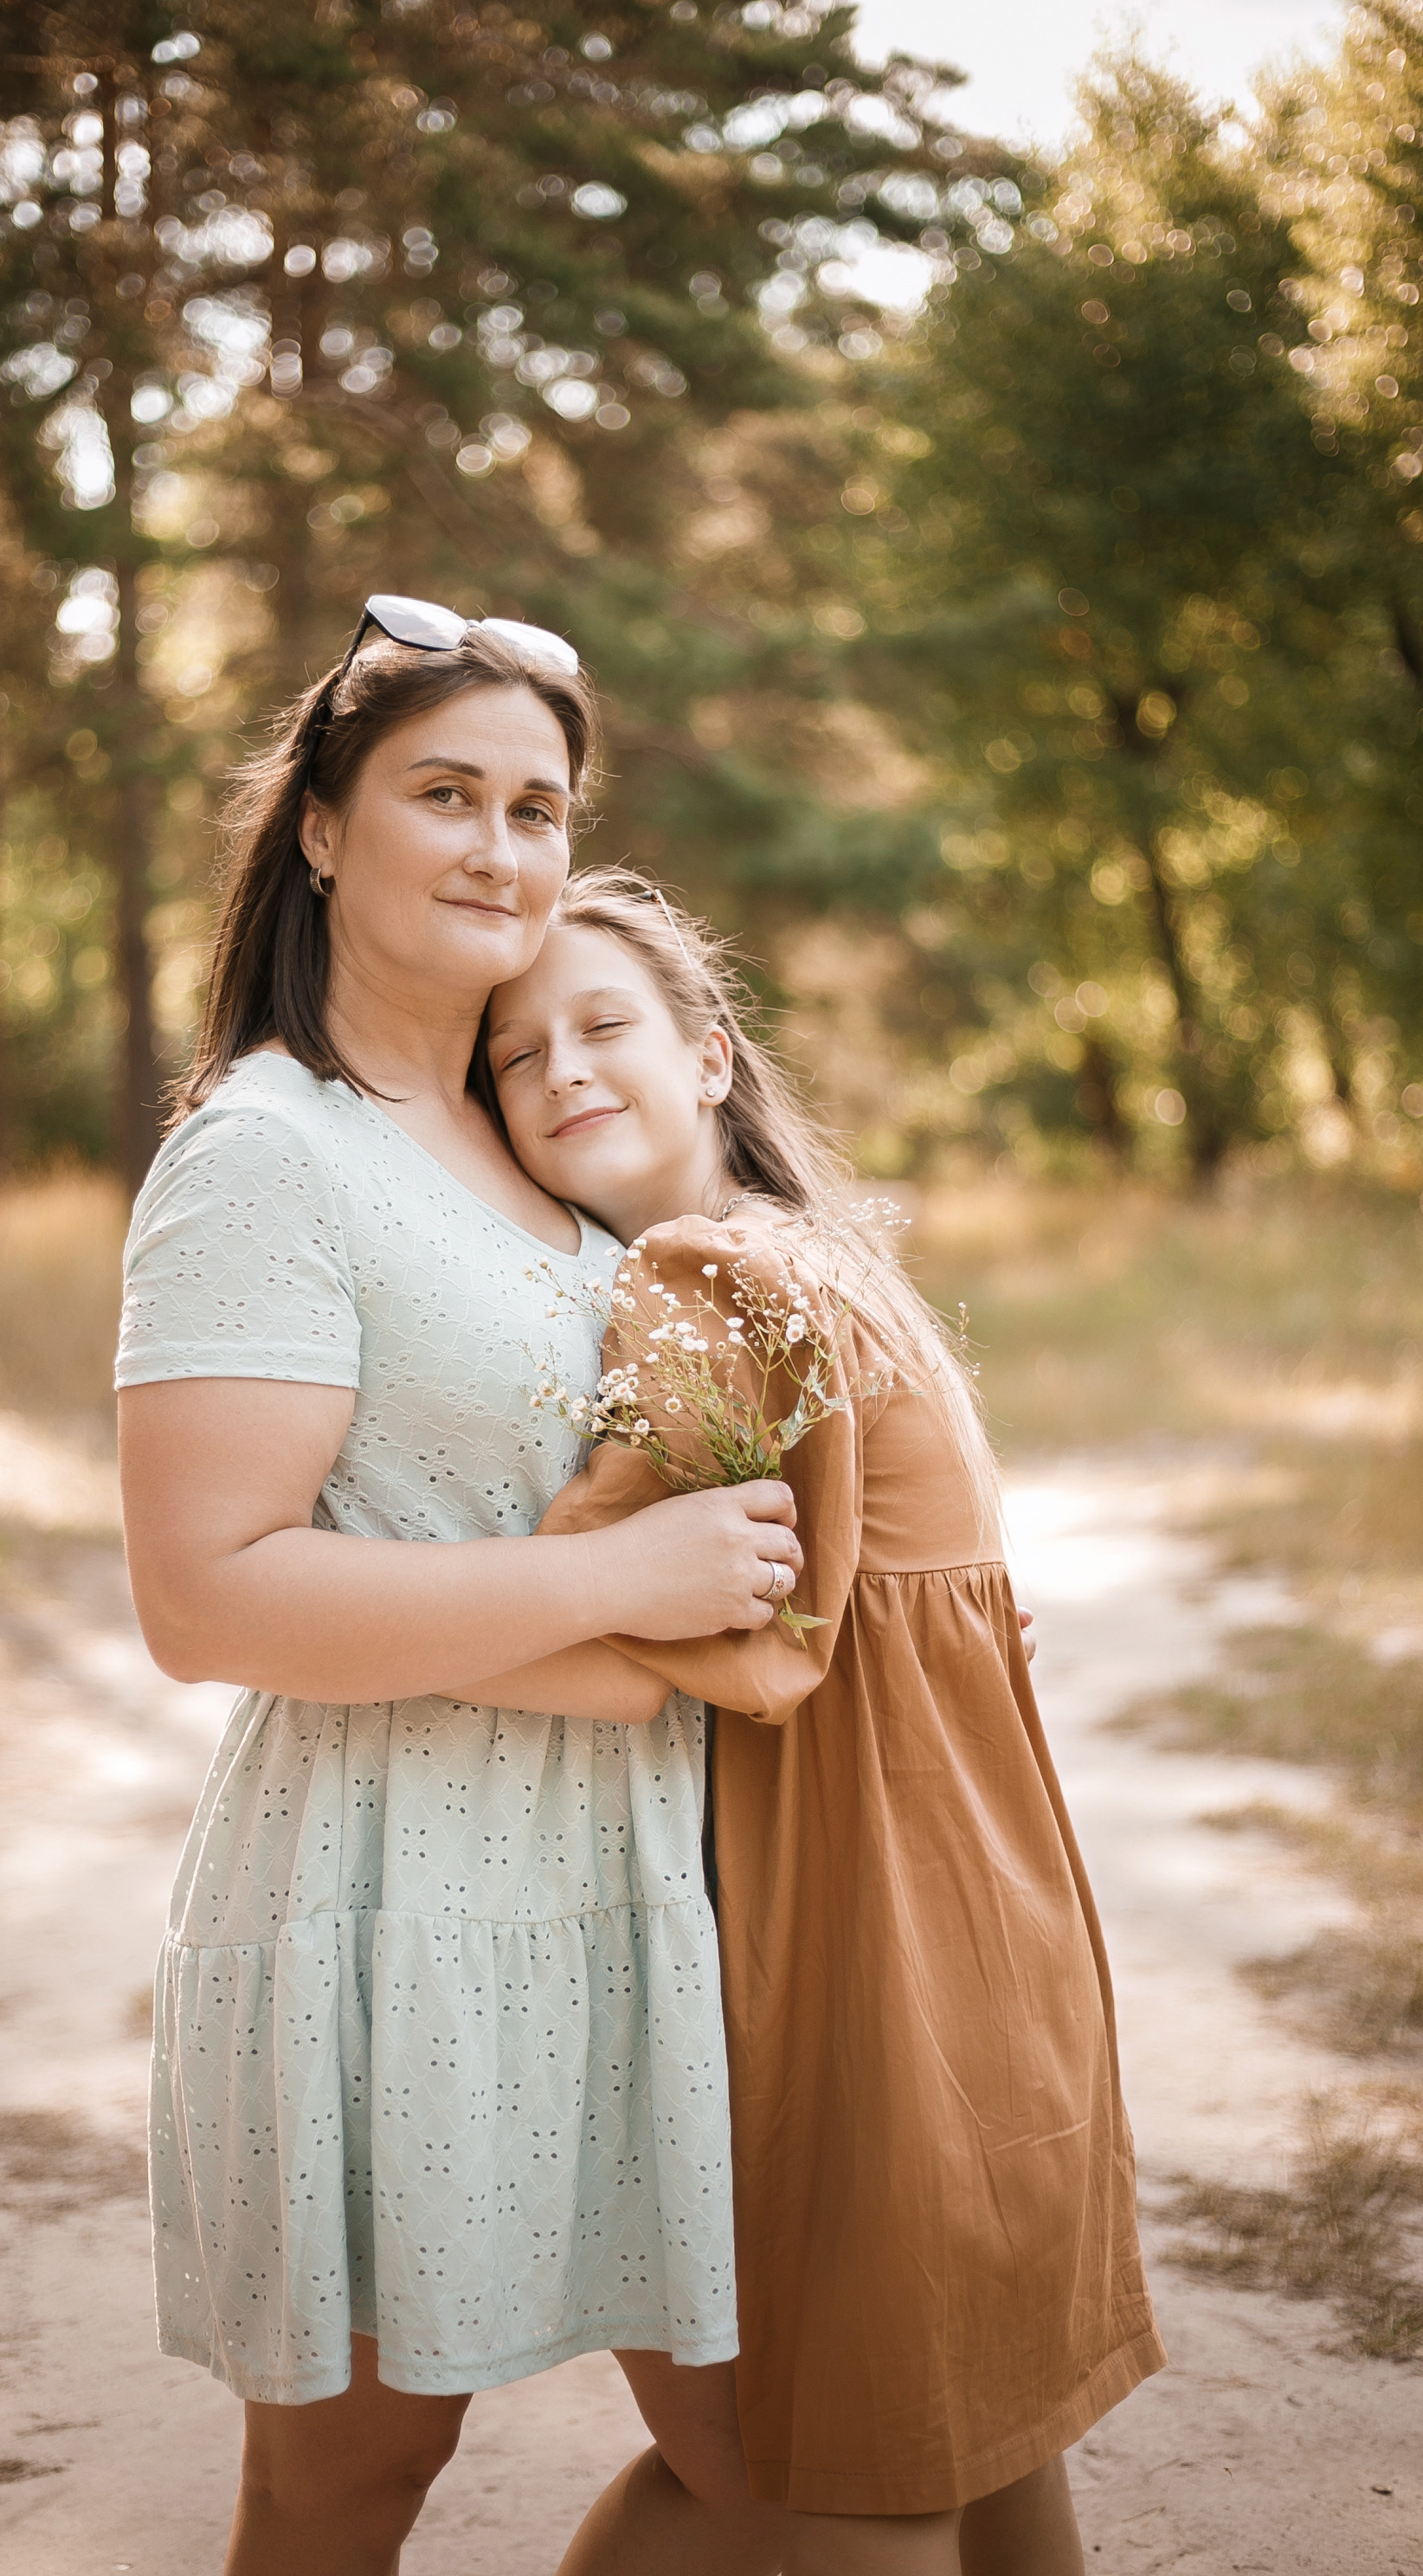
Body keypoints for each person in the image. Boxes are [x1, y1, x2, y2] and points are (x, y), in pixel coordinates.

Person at [113, 608, 806, 2576]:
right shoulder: (264, 1149)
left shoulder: (521, 1141)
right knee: (346, 2489)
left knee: (777, 2459)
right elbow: (207, 1597)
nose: (505, 846)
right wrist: (610, 1617)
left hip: (625, 1888)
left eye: (538, 807)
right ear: (322, 827)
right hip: (386, 1898)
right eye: (446, 795)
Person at [484, 866, 1166, 2576]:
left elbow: (708, 1628)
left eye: (602, 1024)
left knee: (839, 2465)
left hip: (862, 1948)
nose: (559, 1065)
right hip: (990, 1928)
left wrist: (393, 1624)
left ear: (709, 1058)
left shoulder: (701, 1284)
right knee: (970, 2439)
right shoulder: (829, 1257)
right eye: (512, 1053)